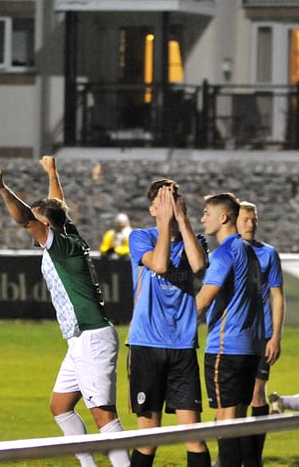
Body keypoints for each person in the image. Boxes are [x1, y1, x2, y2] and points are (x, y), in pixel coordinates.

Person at [0, 156, 129, 467]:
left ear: (46, 225)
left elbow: (25, 219)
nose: (34, 229)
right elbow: (57, 204)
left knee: (104, 416)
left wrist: (2, 188)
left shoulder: (61, 246)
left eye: (39, 223)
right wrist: (52, 171)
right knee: (60, 406)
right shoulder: (68, 234)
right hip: (81, 339)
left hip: (91, 338)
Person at [126, 179, 211, 467]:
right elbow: (160, 265)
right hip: (146, 345)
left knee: (195, 436)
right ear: (153, 209)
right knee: (148, 438)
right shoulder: (140, 237)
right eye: (164, 200)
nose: (171, 204)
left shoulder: (195, 240)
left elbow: (199, 265)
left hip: (182, 346)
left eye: (176, 198)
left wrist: (182, 219)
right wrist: (164, 223)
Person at [196, 193, 264, 467]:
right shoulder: (249, 250)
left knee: (224, 425)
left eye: (206, 213)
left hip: (226, 348)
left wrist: (174, 325)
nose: (202, 219)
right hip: (249, 348)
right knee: (236, 422)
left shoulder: (225, 252)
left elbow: (204, 298)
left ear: (223, 217)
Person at [236, 201, 285, 464]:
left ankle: (253, 458)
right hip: (233, 338)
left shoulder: (268, 253)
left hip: (261, 337)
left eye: (254, 219)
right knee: (236, 399)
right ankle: (233, 455)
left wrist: (275, 336)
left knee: (256, 393)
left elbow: (277, 296)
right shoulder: (227, 253)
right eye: (245, 219)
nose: (251, 224)